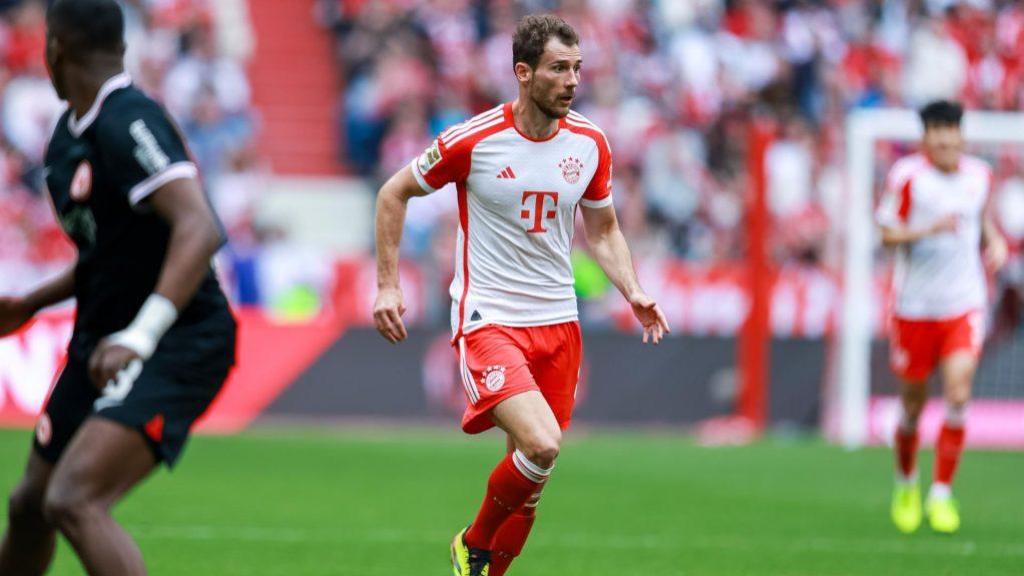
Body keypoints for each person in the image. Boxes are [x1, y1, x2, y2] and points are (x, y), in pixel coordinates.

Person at [373, 14, 669, 576]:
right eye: (559, 68)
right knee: (542, 445)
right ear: (523, 72)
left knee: (531, 485)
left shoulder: (590, 144)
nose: (572, 80)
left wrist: (632, 289)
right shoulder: (474, 139)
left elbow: (603, 230)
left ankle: (483, 567)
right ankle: (472, 543)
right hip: (491, 320)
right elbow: (394, 193)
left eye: (578, 68)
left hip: (559, 324)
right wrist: (388, 284)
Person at [0, 1, 236, 574]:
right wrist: (31, 303)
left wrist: (142, 333)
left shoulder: (128, 119)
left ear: (54, 49)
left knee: (74, 500)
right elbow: (108, 257)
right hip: (101, 341)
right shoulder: (69, 137)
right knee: (31, 504)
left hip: (174, 338)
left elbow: (200, 227)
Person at [876, 100, 1007, 534]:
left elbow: (981, 220)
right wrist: (927, 230)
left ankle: (942, 494)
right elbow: (887, 234)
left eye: (950, 129)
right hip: (914, 308)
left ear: (961, 136)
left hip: (962, 304)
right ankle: (906, 483)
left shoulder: (979, 176)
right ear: (925, 138)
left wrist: (995, 241)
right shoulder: (908, 177)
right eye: (936, 130)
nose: (945, 138)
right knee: (912, 406)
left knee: (957, 393)